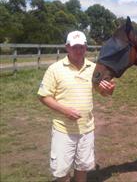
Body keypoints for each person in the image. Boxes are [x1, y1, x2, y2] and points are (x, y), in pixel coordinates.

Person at [37, 30, 115, 182]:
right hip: (63, 130)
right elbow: (43, 96)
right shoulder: (55, 69)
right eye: (74, 47)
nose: (79, 51)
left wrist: (109, 90)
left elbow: (102, 92)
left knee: (82, 167)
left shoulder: (93, 69)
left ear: (86, 47)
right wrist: (64, 110)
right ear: (67, 47)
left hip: (86, 129)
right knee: (61, 171)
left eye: (82, 47)